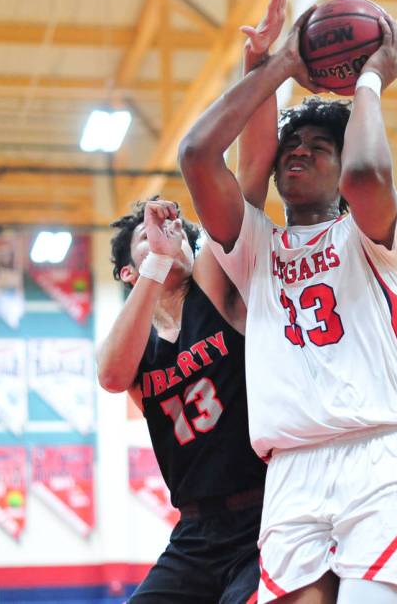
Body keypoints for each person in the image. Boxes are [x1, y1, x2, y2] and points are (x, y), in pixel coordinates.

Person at [179, 0, 397, 604]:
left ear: (341, 169)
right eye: (292, 146)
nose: (300, 154)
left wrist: (370, 80)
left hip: (379, 456)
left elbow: (370, 171)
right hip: (291, 471)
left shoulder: (372, 233)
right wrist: (283, 64)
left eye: (321, 149)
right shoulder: (254, 248)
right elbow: (196, 154)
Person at [96, 198, 266, 603]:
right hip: (196, 531)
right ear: (128, 271)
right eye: (147, 237)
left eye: (177, 234)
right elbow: (111, 376)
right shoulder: (135, 345)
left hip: (265, 513)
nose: (165, 236)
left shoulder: (214, 290)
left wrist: (171, 243)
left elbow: (231, 212)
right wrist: (156, 260)